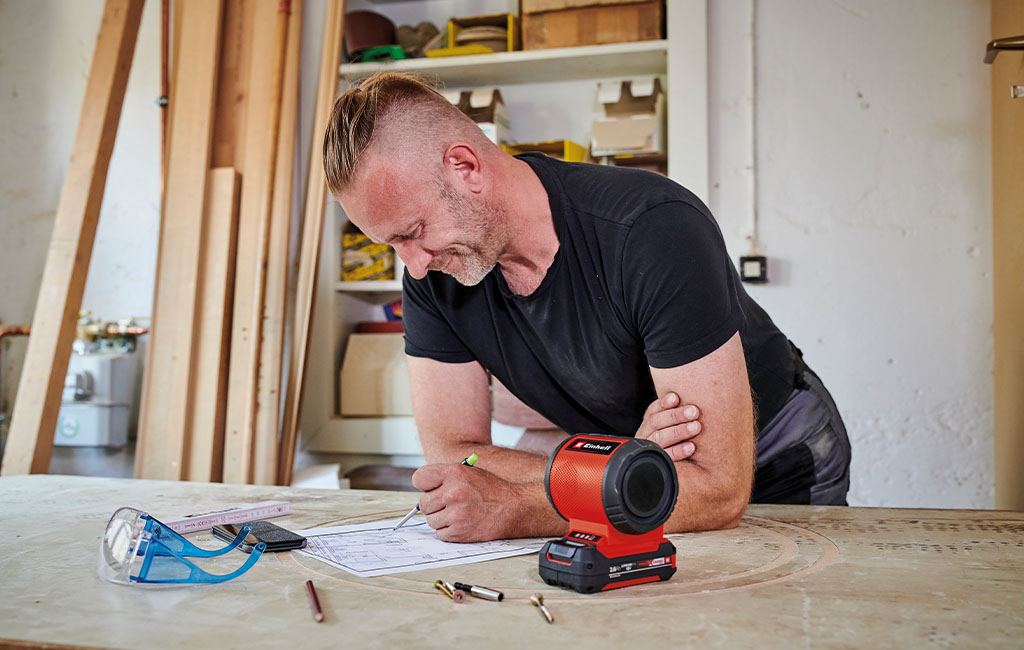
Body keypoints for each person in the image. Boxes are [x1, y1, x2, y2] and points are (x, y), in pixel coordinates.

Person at [323, 72, 851, 542]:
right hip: (634, 459)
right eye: (392, 244)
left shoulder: (653, 227)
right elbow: (456, 452)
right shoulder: (431, 273)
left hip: (777, 454)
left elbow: (716, 490)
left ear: (464, 166)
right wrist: (619, 469)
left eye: (413, 232)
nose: (411, 265)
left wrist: (524, 507)